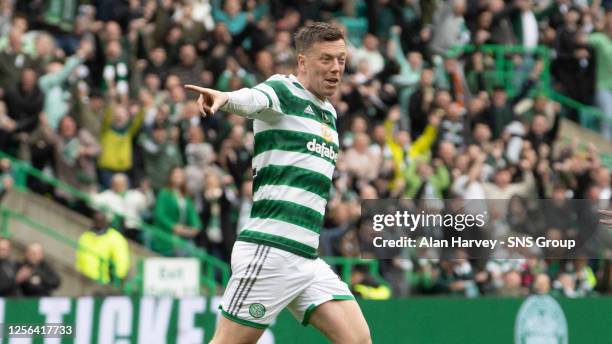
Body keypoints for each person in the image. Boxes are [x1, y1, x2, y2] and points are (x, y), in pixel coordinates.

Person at [185, 22, 371, 344]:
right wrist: (225, 98)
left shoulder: (328, 113)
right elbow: (254, 99)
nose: (336, 68)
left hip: (306, 259)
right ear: (302, 62)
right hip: (271, 251)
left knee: (358, 339)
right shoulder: (284, 91)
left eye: (341, 60)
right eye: (326, 59)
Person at [75, 209, 130, 284]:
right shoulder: (85, 237)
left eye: (101, 220)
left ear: (106, 221)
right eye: (97, 220)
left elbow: (121, 259)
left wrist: (117, 277)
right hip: (85, 279)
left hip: (104, 281)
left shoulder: (115, 237)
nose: (99, 223)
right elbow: (79, 257)